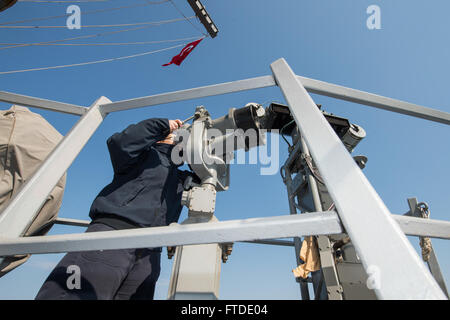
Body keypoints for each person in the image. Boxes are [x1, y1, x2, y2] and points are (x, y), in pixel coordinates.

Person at [36, 118, 196, 300]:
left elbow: (212, 167)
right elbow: (121, 143)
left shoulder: (182, 178)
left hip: (150, 251)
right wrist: (163, 125)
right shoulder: (142, 156)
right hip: (113, 235)